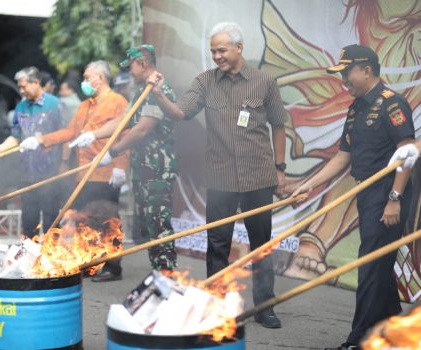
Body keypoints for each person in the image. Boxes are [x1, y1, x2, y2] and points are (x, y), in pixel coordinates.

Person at [148, 22, 286, 328]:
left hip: (258, 178)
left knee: (261, 245)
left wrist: (280, 168)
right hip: (221, 179)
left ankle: (265, 306)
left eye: (222, 50)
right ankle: (216, 306)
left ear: (239, 48)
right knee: (218, 245)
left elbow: (279, 125)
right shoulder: (205, 81)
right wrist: (159, 94)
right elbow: (180, 113)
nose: (217, 56)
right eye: (213, 51)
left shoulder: (265, 82)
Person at [292, 45, 415, 350]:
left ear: (367, 70)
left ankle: (358, 339)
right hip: (367, 193)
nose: (343, 80)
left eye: (347, 73)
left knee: (370, 266)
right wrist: (309, 184)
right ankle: (392, 329)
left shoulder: (392, 104)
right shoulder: (356, 107)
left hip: (389, 193)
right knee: (378, 264)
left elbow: (408, 151)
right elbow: (341, 157)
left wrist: (394, 198)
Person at [70, 44, 178, 272]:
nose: (129, 72)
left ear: (142, 63)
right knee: (149, 228)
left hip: (157, 171)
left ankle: (165, 275)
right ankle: (157, 276)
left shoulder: (159, 90)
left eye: (130, 67)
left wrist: (112, 152)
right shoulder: (141, 91)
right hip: (142, 170)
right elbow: (123, 120)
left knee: (159, 226)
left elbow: (142, 129)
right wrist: (93, 135)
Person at [20, 60, 129, 282]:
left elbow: (125, 135)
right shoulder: (85, 105)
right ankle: (87, 261)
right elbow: (70, 132)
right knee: (82, 220)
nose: (84, 82)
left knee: (108, 220)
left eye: (88, 77)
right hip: (83, 173)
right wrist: (40, 140)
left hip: (107, 172)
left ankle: (113, 266)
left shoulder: (118, 102)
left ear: (101, 78)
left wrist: (120, 166)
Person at [0, 66, 63, 237]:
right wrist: (0, 148)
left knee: (51, 218)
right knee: (29, 219)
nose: (21, 91)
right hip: (26, 173)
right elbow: (15, 136)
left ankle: (53, 258)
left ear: (36, 83)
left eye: (24, 86)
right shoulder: (21, 108)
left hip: (50, 172)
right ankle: (31, 255)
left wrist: (64, 165)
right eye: (20, 87)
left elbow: (65, 135)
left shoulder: (55, 105)